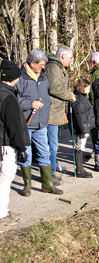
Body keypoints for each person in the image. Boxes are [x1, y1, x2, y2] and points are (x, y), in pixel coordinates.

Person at [15, 49, 63, 196]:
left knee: (45, 153)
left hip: (42, 124)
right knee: (26, 154)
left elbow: (47, 95)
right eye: (41, 64)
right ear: (32, 63)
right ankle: (27, 185)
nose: (43, 67)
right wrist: (31, 104)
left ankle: (47, 184)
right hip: (26, 124)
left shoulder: (43, 77)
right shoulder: (20, 79)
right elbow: (14, 101)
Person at [0, 59, 30, 225]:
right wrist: (21, 147)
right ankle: (2, 213)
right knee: (5, 177)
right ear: (14, 78)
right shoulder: (9, 98)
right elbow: (14, 125)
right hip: (6, 144)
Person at [44, 45, 76, 180]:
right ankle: (50, 172)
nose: (71, 61)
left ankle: (53, 165)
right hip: (50, 112)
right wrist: (69, 95)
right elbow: (54, 88)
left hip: (56, 111)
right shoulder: (53, 68)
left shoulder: (59, 68)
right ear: (63, 56)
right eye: (70, 58)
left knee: (53, 143)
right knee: (52, 144)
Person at [68, 79, 95, 178]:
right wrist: (85, 130)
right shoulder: (79, 100)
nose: (88, 91)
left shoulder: (80, 98)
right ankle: (79, 170)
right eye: (87, 89)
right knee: (79, 147)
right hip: (80, 129)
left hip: (82, 127)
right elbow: (81, 117)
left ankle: (80, 168)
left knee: (80, 147)